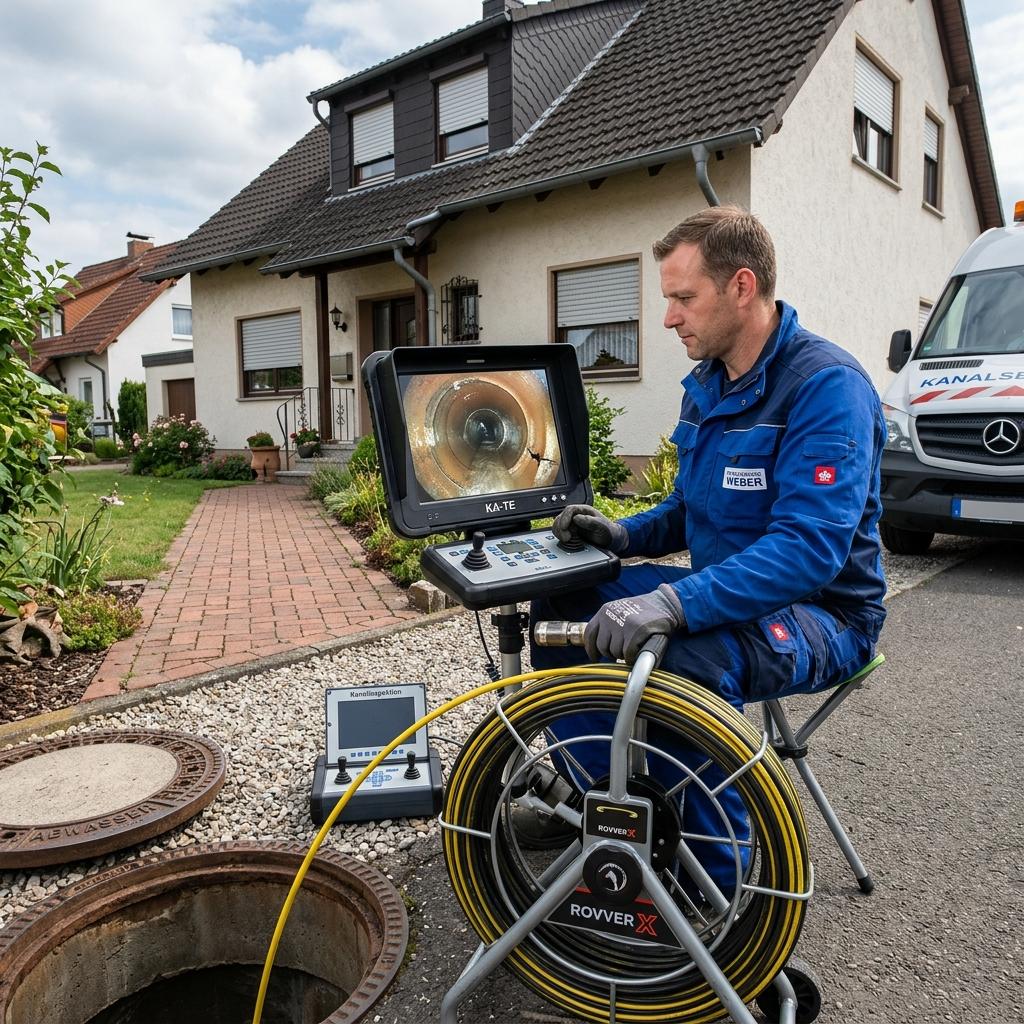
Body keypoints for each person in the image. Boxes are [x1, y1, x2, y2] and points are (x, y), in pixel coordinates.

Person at [528, 205, 887, 898]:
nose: (668, 318)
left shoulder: (825, 388)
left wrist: (669, 601)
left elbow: (808, 551)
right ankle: (596, 804)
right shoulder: (709, 384)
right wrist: (622, 534)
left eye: (683, 298)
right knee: (559, 601)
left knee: (679, 662)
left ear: (742, 287)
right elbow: (691, 512)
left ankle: (712, 887)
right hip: (723, 590)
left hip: (822, 614)